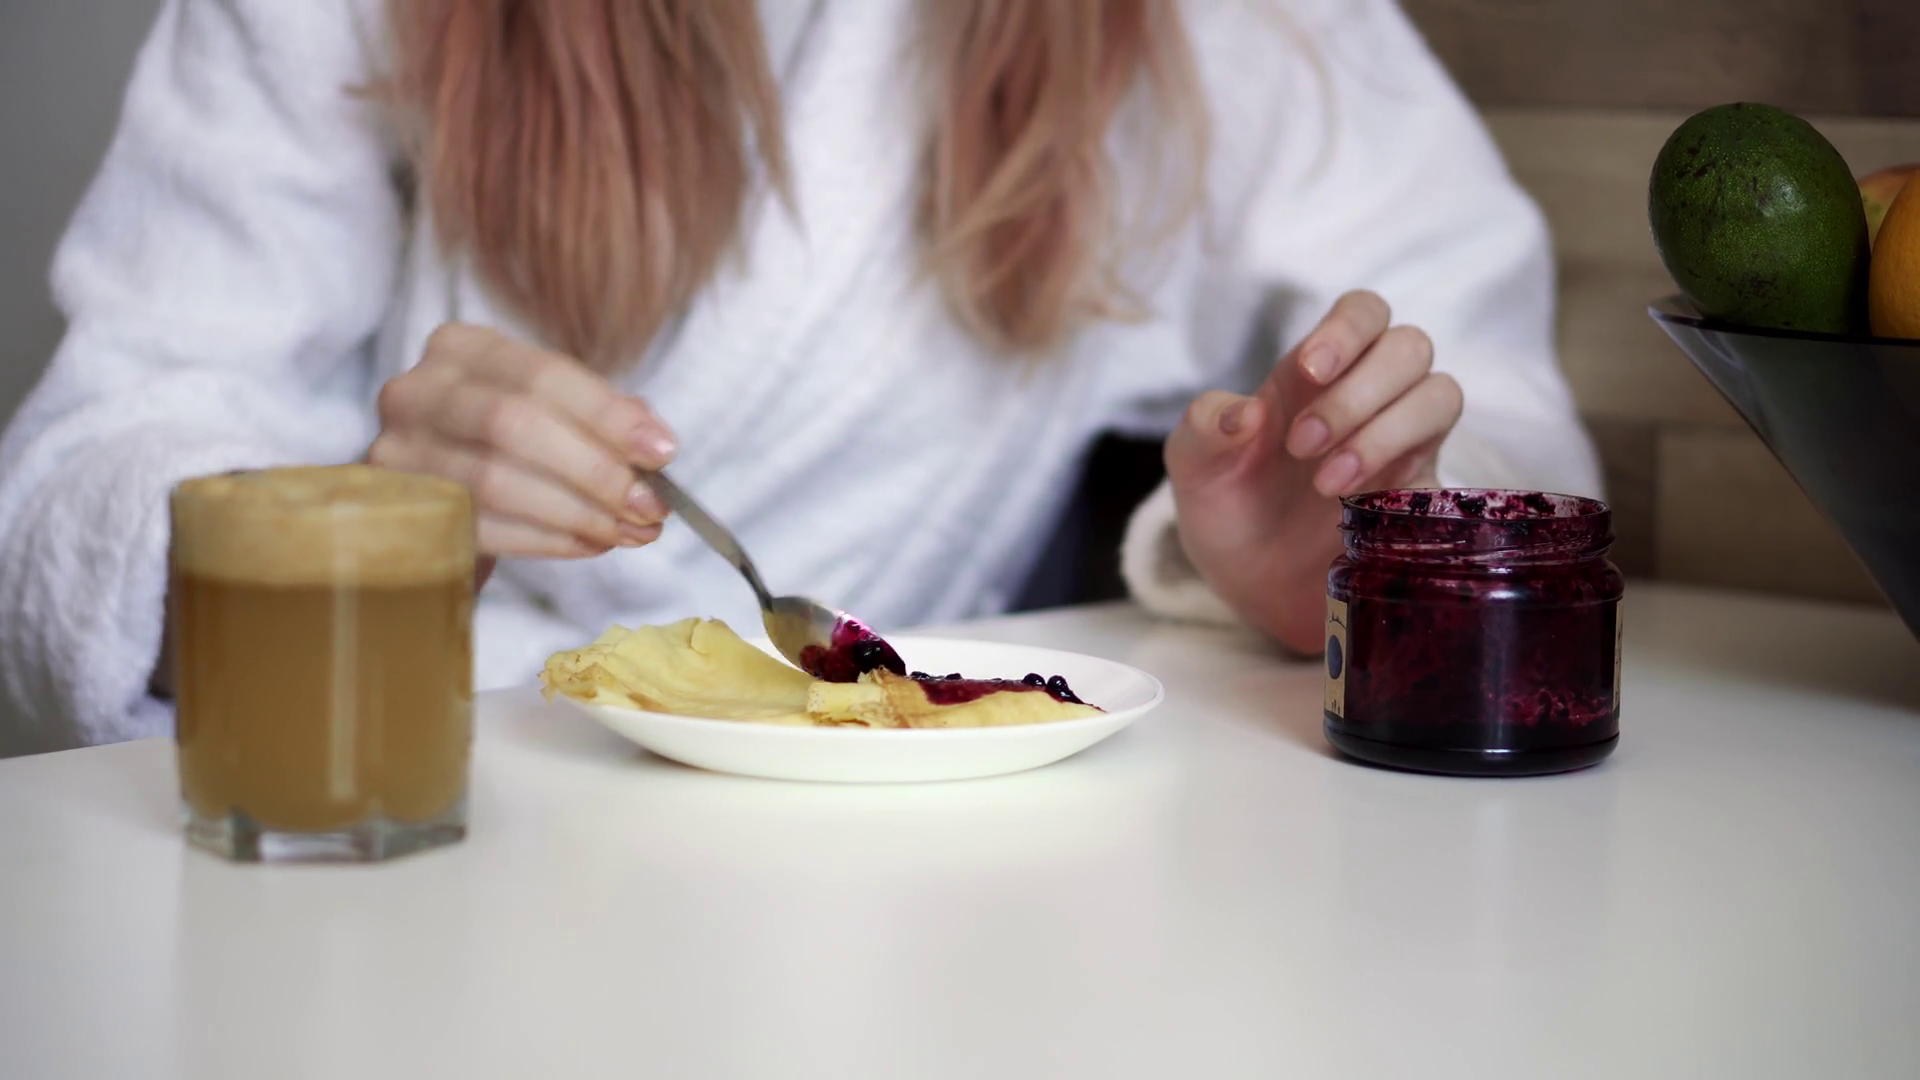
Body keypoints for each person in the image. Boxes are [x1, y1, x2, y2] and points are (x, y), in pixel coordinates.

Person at [0, 0, 1600, 750]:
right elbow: (86, 472)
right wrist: (354, 532)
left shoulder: (1224, 28)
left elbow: (1491, 391)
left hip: (911, 854)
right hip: (434, 785)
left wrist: (1342, 557)